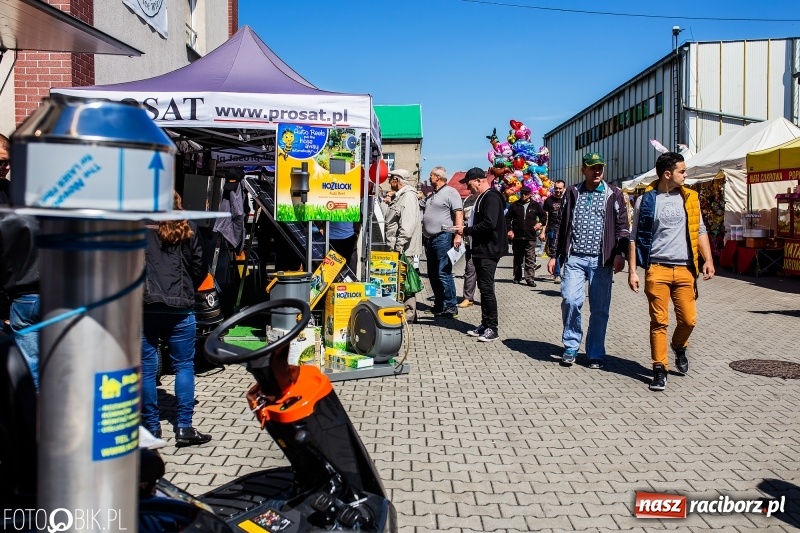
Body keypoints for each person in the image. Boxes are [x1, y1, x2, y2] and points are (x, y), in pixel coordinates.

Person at [627, 151, 715, 391]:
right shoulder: (645, 200)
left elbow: (700, 231)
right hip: (657, 269)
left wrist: (708, 259)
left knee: (688, 319)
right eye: (682, 171)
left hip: (686, 269)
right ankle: (659, 368)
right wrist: (633, 271)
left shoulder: (691, 198)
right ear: (668, 174)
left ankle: (679, 346)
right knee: (659, 321)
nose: (685, 175)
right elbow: (634, 237)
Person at [141, 192, 211, 445]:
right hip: (181, 307)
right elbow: (200, 267)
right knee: (184, 366)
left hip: (145, 306)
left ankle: (151, 427)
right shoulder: (187, 226)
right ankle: (184, 427)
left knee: (147, 369)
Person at [547, 152, 629, 369]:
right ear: (583, 169)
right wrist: (554, 255)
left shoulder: (614, 194)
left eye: (600, 167)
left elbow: (623, 227)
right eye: (593, 167)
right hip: (575, 258)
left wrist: (620, 254)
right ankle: (571, 346)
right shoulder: (573, 192)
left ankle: (595, 352)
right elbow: (561, 224)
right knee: (571, 300)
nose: (597, 171)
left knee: (600, 308)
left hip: (602, 261)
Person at [0, 134, 42, 389]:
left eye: (8, 162)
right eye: (1, 163)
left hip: (23, 294)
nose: (6, 168)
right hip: (21, 293)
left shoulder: (15, 195)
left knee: (33, 369)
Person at [454, 167, 507, 342]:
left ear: (479, 180)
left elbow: (489, 224)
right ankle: (485, 324)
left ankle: (493, 328)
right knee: (484, 290)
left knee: (487, 289)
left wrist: (466, 230)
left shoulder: (490, 197)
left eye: (470, 185)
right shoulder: (482, 197)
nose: (469, 190)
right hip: (480, 249)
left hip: (488, 250)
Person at [420, 166, 463, 318]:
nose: (429, 177)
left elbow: (458, 213)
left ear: (438, 177)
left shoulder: (450, 192)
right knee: (432, 273)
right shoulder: (432, 195)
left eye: (431, 175)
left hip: (443, 236)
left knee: (443, 272)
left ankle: (451, 306)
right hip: (430, 239)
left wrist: (458, 235)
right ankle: (439, 305)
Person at [380, 168, 423, 321]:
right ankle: (406, 312)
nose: (388, 180)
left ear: (397, 180)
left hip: (404, 248)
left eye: (391, 178)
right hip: (400, 247)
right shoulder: (401, 196)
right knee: (401, 280)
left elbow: (407, 225)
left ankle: (409, 314)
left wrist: (399, 246)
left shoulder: (408, 197)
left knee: (406, 281)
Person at [505, 186, 545, 287]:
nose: (523, 195)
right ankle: (517, 277)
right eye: (522, 193)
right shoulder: (515, 205)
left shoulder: (535, 205)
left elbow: (544, 216)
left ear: (530, 194)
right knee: (518, 258)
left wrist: (540, 224)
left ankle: (530, 278)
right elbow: (507, 218)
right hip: (517, 236)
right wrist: (509, 230)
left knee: (530, 258)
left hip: (530, 236)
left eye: (526, 194)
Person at [541, 179, 566, 283]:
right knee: (555, 253)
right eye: (556, 188)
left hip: (564, 230)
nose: (558, 190)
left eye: (560, 188)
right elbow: (545, 217)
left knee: (564, 252)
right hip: (552, 230)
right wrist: (543, 232)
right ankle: (557, 274)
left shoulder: (567, 199)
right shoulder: (549, 201)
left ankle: (560, 270)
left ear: (564, 188)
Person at [458, 192, 477, 308]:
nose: (469, 189)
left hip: (483, 243)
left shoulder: (485, 199)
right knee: (470, 269)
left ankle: (487, 298)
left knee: (485, 274)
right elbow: (463, 216)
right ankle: (468, 298)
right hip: (469, 241)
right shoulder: (467, 200)